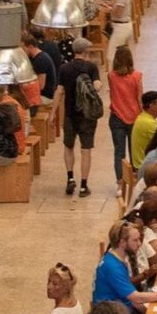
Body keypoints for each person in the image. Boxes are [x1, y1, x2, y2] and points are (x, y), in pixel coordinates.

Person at [59, 37, 104, 198]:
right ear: (85, 52)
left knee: (68, 146)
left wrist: (52, 115)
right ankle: (84, 185)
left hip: (70, 114)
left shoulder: (64, 68)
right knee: (86, 150)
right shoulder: (91, 67)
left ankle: (70, 177)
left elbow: (59, 91)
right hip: (87, 115)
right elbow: (97, 86)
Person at [107, 48, 145, 198]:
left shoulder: (111, 76)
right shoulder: (137, 76)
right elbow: (139, 98)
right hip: (134, 117)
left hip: (116, 117)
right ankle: (135, 181)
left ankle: (120, 184)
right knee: (134, 152)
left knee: (119, 152)